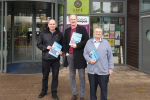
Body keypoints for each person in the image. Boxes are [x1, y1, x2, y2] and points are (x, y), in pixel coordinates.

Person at [83, 27, 114, 100]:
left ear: (102, 33)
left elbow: (110, 56)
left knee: (104, 90)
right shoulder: (89, 42)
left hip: (103, 71)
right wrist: (89, 60)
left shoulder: (106, 43)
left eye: (100, 32)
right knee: (92, 91)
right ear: (93, 33)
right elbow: (85, 53)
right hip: (92, 71)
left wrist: (110, 68)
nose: (98, 33)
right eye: (96, 31)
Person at [63, 14, 89, 100]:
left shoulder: (82, 29)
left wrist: (77, 45)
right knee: (72, 75)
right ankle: (74, 94)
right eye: (71, 19)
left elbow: (86, 40)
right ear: (69, 20)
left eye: (74, 19)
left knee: (81, 76)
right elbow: (64, 43)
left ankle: (82, 95)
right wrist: (66, 52)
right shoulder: (67, 31)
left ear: (77, 20)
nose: (73, 21)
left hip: (80, 56)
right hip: (70, 55)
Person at [37, 19, 63, 100]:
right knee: (45, 76)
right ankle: (44, 91)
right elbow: (38, 44)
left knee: (55, 76)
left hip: (55, 59)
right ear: (48, 25)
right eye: (50, 24)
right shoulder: (43, 33)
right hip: (46, 58)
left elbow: (62, 45)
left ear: (55, 25)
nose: (52, 25)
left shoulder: (59, 34)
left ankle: (54, 92)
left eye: (53, 24)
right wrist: (45, 47)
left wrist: (61, 51)